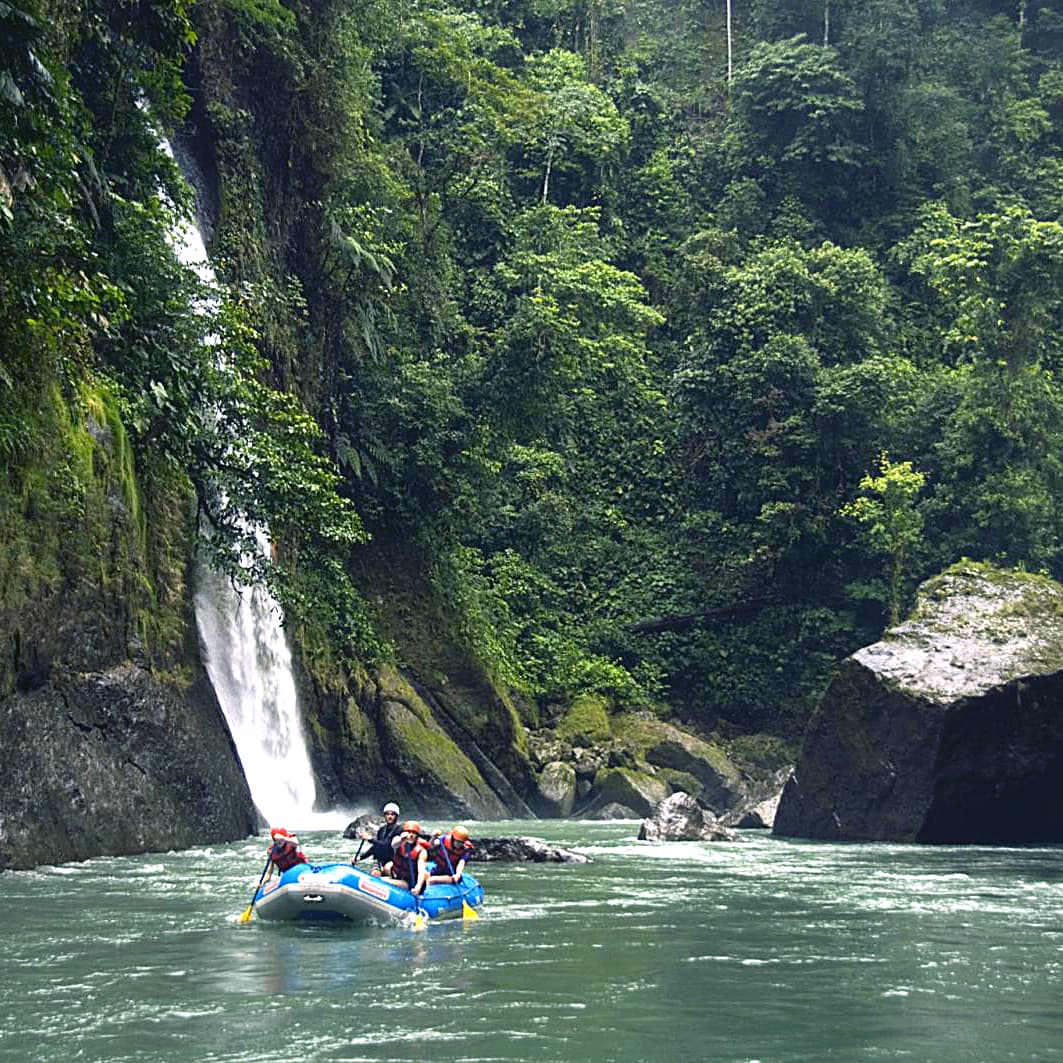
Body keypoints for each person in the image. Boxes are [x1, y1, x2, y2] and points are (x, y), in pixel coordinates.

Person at [352, 801, 402, 874]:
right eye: (387, 814)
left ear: (396, 816)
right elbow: (375, 847)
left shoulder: (399, 829)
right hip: (381, 862)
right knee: (374, 873)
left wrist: (370, 839)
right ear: (384, 816)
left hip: (393, 861)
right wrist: (360, 858)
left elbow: (387, 845)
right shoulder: (382, 830)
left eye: (392, 814)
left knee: (387, 868)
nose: (390, 816)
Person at [382, 820, 428, 895]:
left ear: (417, 835)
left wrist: (418, 887)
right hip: (396, 874)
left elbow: (421, 871)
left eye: (414, 833)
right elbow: (393, 844)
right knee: (387, 866)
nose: (411, 835)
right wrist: (401, 839)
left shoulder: (421, 852)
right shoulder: (399, 841)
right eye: (409, 832)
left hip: (408, 881)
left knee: (386, 881)